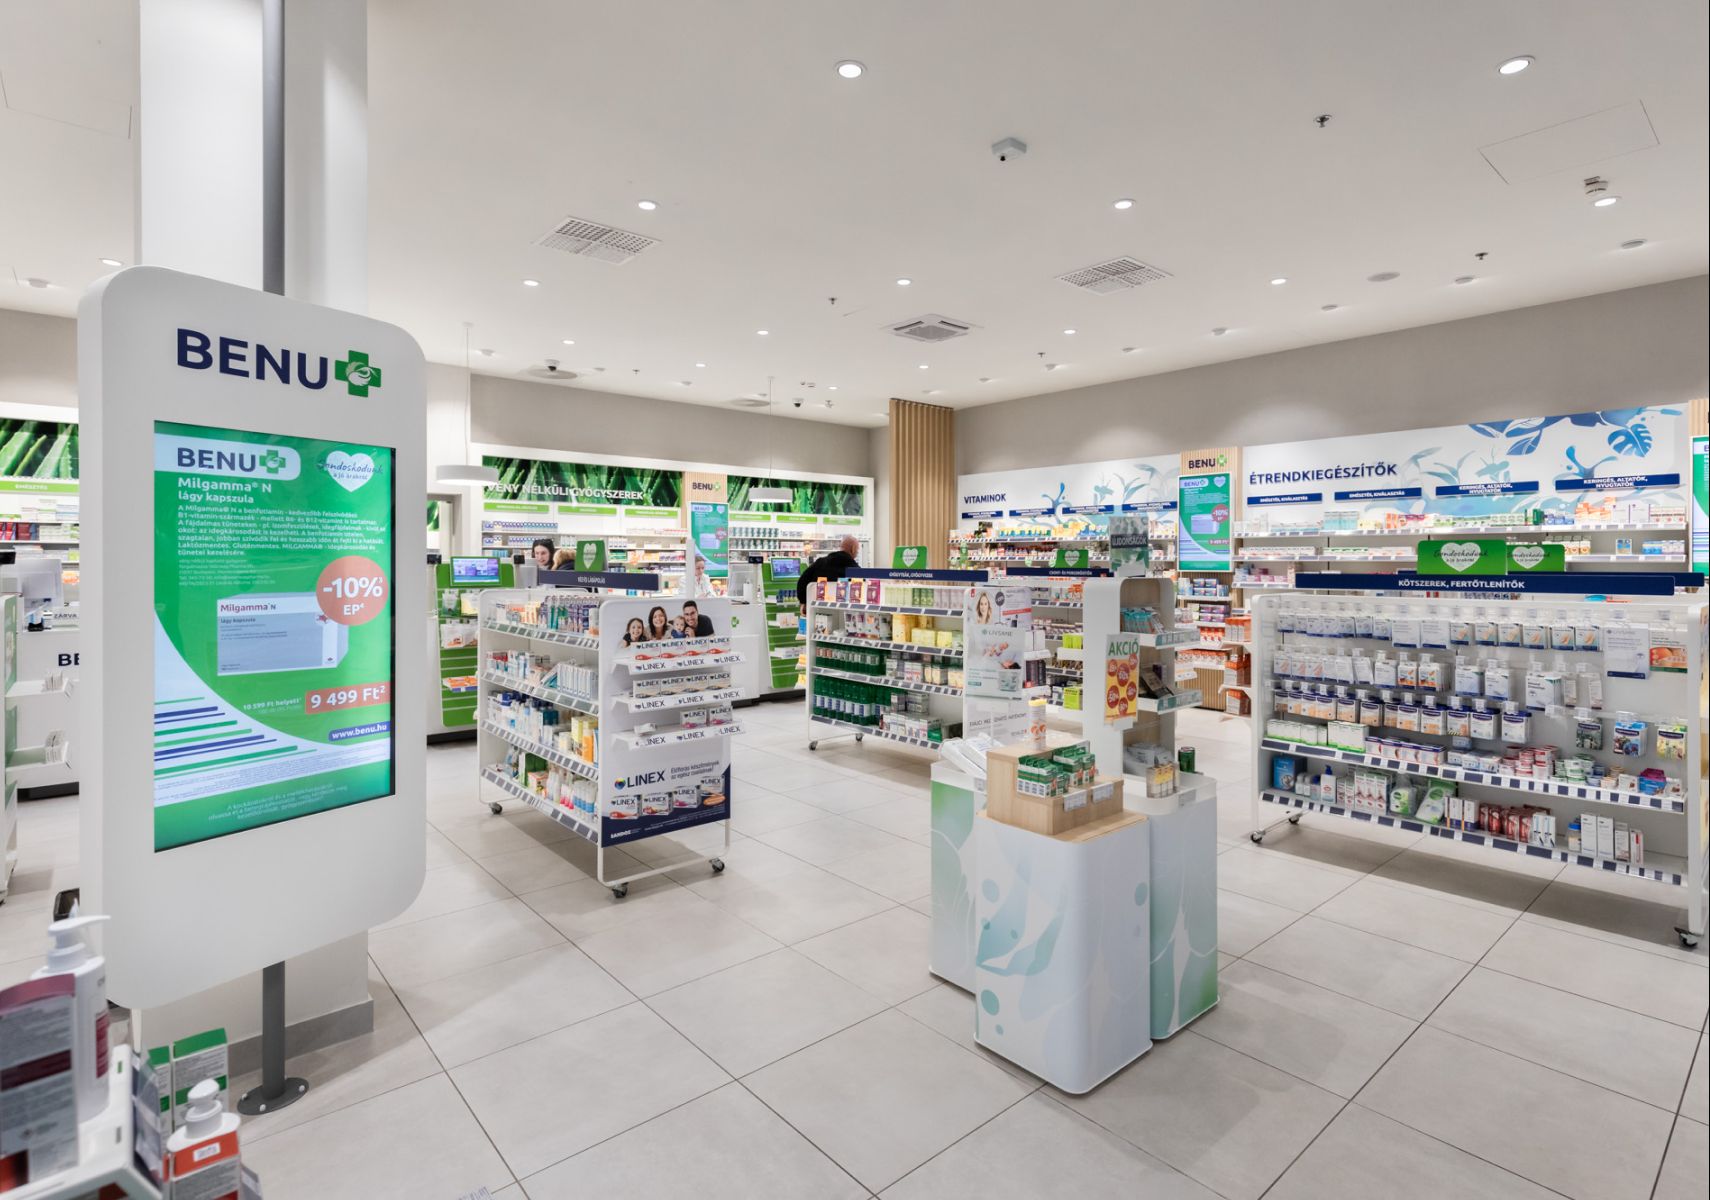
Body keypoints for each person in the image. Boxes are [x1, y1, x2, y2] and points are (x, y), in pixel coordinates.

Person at [796, 534, 860, 606]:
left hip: (817, 607)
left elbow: (802, 582)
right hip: (844, 609)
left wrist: (804, 602)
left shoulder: (820, 562)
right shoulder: (855, 569)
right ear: (853, 549)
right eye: (857, 550)